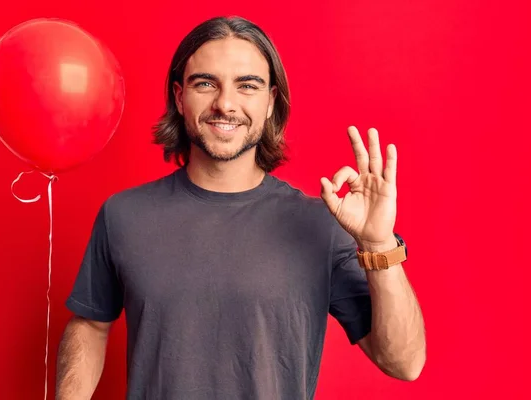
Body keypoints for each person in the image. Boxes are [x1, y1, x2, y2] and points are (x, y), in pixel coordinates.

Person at [55, 16, 426, 400]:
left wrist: (380, 244)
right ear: (180, 98)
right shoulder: (123, 215)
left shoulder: (321, 226)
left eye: (247, 86)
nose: (225, 104)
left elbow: (403, 363)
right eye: (205, 83)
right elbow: (91, 325)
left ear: (270, 103)